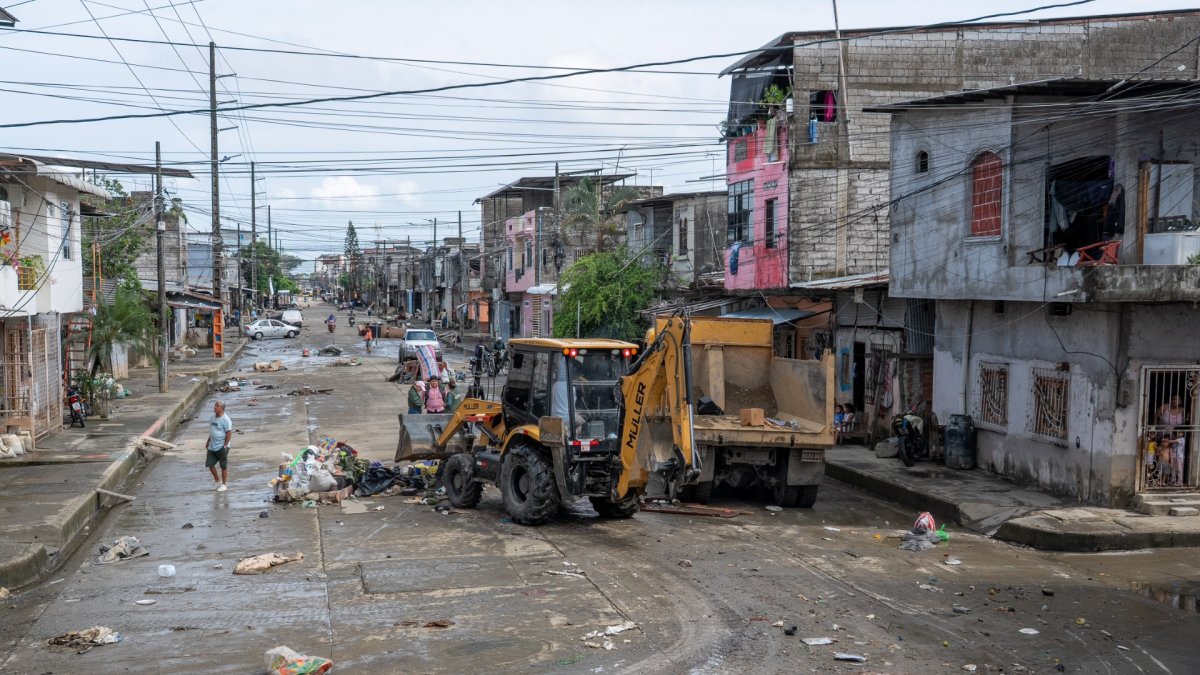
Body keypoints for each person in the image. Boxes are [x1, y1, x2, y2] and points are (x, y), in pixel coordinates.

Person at [205, 400, 233, 492]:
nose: (215, 407)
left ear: (222, 408)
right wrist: (208, 441)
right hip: (212, 446)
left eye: (217, 406)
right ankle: (217, 481)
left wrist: (225, 445)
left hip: (222, 446)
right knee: (210, 464)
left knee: (223, 466)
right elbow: (212, 431)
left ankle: (224, 484)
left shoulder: (226, 419)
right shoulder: (213, 418)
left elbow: (228, 434)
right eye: (215, 405)